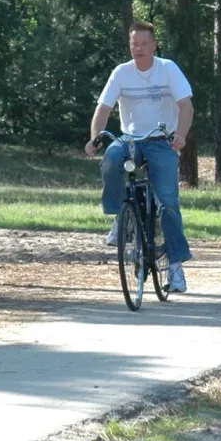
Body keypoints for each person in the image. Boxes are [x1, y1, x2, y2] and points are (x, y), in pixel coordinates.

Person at [85, 21, 195, 293]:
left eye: (144, 44)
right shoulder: (121, 73)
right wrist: (96, 136)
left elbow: (186, 107)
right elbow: (103, 108)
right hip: (130, 139)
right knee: (111, 157)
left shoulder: (168, 69)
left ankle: (176, 267)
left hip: (161, 141)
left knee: (168, 203)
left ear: (154, 45)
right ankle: (119, 218)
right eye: (135, 44)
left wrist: (180, 135)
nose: (139, 49)